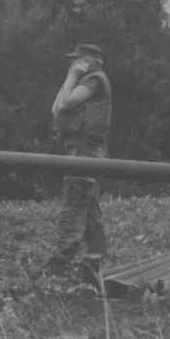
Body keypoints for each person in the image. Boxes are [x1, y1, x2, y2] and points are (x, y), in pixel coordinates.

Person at [47, 43, 111, 281]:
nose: (72, 64)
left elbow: (65, 105)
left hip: (85, 150)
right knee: (89, 207)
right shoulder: (84, 80)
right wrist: (69, 78)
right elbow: (56, 108)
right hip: (80, 149)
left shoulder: (95, 79)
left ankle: (58, 266)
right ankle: (93, 264)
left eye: (76, 60)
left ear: (88, 61)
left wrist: (73, 75)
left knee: (73, 204)